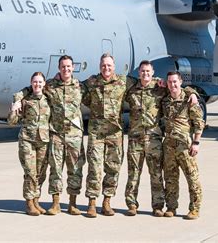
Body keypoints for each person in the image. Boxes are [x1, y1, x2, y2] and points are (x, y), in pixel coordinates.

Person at [124, 61, 198, 217]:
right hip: (135, 139)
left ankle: (158, 206)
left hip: (154, 139)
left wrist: (193, 93)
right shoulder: (131, 88)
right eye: (142, 71)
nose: (145, 74)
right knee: (133, 174)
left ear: (152, 72)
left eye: (148, 71)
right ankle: (131, 204)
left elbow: (178, 88)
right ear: (139, 73)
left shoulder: (160, 87)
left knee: (156, 174)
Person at [13, 55, 86, 216]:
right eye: (63, 66)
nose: (66, 69)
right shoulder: (50, 85)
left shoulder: (80, 86)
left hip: (75, 135)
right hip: (56, 135)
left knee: (75, 169)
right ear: (59, 68)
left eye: (68, 66)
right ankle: (55, 204)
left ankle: (73, 204)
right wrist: (17, 99)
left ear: (73, 67)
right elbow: (31, 88)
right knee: (55, 170)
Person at [82, 53, 137, 218]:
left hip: (115, 133)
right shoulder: (92, 82)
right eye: (104, 65)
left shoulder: (123, 82)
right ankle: (92, 202)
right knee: (94, 168)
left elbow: (146, 83)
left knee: (113, 168)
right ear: (100, 66)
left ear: (114, 66)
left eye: (109, 65)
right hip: (96, 133)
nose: (106, 68)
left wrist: (190, 92)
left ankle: (107, 201)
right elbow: (75, 89)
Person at [159, 71, 205, 220]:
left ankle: (194, 208)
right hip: (169, 146)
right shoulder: (165, 100)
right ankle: (171, 207)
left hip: (185, 146)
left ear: (180, 82)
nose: (172, 85)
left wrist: (196, 143)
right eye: (170, 82)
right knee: (171, 179)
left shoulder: (189, 99)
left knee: (192, 178)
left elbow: (199, 122)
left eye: (175, 82)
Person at [8, 72, 51, 216]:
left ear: (44, 84)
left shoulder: (48, 99)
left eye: (40, 82)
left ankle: (36, 200)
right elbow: (12, 122)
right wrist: (14, 109)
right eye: (35, 82)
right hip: (27, 140)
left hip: (43, 141)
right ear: (31, 83)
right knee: (30, 172)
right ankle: (29, 202)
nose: (37, 84)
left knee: (40, 173)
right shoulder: (25, 100)